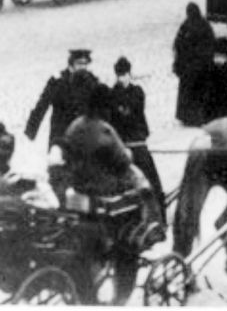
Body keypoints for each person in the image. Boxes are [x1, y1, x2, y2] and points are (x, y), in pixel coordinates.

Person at [60, 85, 162, 306]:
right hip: (103, 192)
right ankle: (146, 233)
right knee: (142, 190)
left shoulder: (74, 126)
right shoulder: (104, 130)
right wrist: (129, 152)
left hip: (78, 189)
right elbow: (123, 161)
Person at [107, 56, 166, 214]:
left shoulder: (137, 91)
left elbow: (133, 111)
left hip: (138, 141)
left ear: (129, 74)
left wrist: (121, 109)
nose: (122, 79)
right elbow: (118, 114)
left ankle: (160, 212)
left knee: (151, 179)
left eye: (125, 75)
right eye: (120, 75)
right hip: (122, 143)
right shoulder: (112, 93)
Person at [25, 49, 102, 151]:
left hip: (83, 137)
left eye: (85, 64)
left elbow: (102, 107)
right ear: (71, 64)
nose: (83, 67)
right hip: (60, 135)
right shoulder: (58, 81)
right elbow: (42, 104)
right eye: (79, 63)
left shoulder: (92, 82)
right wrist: (31, 130)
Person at [173, 2, 217, 125]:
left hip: (193, 68)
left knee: (190, 93)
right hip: (198, 67)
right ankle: (196, 116)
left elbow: (178, 44)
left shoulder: (187, 25)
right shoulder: (204, 25)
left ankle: (188, 116)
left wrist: (179, 63)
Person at [197, 37, 227, 123]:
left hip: (223, 111)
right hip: (212, 111)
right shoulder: (208, 71)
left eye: (222, 57)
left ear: (226, 57)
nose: (219, 60)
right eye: (217, 56)